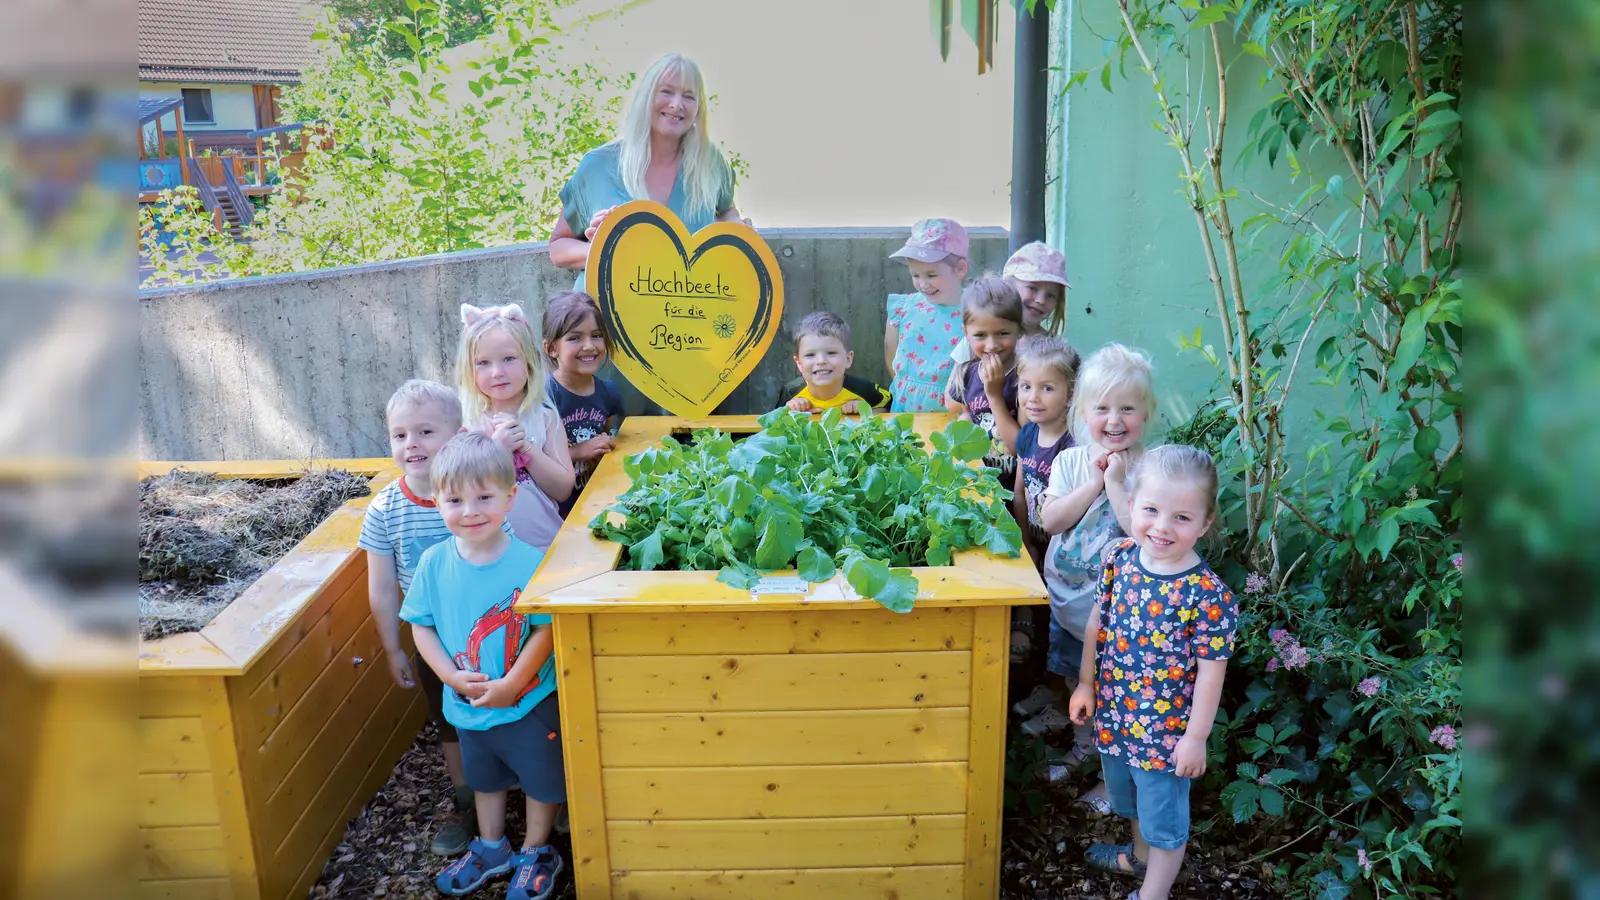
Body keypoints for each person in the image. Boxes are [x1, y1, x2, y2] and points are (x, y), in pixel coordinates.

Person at [401, 432, 565, 900]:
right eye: (455, 499)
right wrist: (450, 677)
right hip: (468, 704)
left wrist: (514, 683)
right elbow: (421, 627)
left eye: (484, 497)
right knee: (485, 779)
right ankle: (491, 845)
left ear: (510, 497)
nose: (470, 510)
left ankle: (537, 849)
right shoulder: (433, 564)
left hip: (528, 702)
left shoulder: (530, 563)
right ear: (437, 501)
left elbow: (545, 629)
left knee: (541, 780)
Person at [1069, 445, 1237, 900]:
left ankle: (1153, 893)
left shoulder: (1206, 594)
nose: (1162, 527)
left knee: (1165, 821)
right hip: (1116, 718)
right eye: (1151, 510)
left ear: (1204, 523)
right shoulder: (1119, 559)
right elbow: (1096, 624)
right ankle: (1138, 860)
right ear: (1131, 505)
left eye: (1182, 518)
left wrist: (1196, 737)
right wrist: (1085, 683)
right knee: (1131, 803)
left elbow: (1210, 673)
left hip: (1165, 736)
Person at [360, 380, 513, 857]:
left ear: (457, 434)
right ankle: (466, 800)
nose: (412, 445)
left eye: (425, 431)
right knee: (451, 723)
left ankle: (532, 789)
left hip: (495, 631)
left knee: (514, 709)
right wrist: (392, 648)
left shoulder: (481, 499)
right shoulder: (386, 508)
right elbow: (382, 587)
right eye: (399, 435)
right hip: (436, 642)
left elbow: (506, 564)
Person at [1015, 344, 1155, 817]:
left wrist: (1115, 483)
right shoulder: (1071, 463)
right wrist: (1093, 483)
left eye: (1127, 409)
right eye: (1102, 408)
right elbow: (1050, 520)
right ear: (1082, 412)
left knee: (1108, 688)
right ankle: (1081, 744)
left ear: (1146, 414)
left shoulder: (1146, 472)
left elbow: (1143, 536)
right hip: (1067, 600)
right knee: (1073, 674)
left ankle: (1106, 766)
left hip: (1115, 614)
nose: (1114, 420)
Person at [548, 53, 747, 291]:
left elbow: (726, 211)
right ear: (645, 97)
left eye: (689, 96)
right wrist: (610, 251)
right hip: (603, 319)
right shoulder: (597, 167)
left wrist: (736, 229)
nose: (677, 104)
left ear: (699, 107)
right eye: (666, 91)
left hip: (685, 318)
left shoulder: (709, 163)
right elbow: (558, 247)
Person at [457, 303, 574, 551]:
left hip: (544, 549)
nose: (497, 372)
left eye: (509, 359)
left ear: (529, 361)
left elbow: (563, 489)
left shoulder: (545, 418)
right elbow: (457, 489)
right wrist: (496, 450)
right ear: (469, 369)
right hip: (487, 554)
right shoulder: (467, 422)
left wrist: (527, 448)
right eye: (483, 363)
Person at [1008, 336, 1080, 664]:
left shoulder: (1073, 447)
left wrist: (1049, 548)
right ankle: (1026, 639)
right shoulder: (1028, 434)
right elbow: (1020, 491)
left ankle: (1054, 682)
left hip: (1062, 546)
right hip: (1035, 535)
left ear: (1071, 393)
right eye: (1025, 386)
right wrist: (1025, 538)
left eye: (1047, 388)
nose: (1032, 398)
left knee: (1059, 618)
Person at [541, 292, 622, 519]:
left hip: (598, 505)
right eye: (575, 338)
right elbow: (535, 459)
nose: (589, 346)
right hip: (557, 516)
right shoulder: (544, 398)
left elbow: (603, 438)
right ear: (551, 349)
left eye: (596, 335)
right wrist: (578, 452)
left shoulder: (609, 393)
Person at [945, 275, 1025, 489]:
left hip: (1014, 489)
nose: (991, 344)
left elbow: (1021, 447)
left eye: (1002, 333)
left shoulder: (1026, 378)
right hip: (978, 483)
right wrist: (965, 421)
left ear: (1020, 329)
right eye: (980, 335)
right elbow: (965, 412)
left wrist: (994, 396)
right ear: (966, 333)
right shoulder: (966, 374)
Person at [883, 218, 971, 412]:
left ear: (960, 269)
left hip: (953, 411)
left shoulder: (975, 313)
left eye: (931, 275)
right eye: (916, 275)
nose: (923, 284)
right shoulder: (903, 309)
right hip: (906, 408)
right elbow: (892, 357)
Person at [950, 240, 1071, 369]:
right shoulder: (979, 335)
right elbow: (954, 384)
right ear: (1009, 284)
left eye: (1051, 295)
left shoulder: (1053, 349)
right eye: (1033, 288)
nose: (1041, 300)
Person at [784, 311, 891, 414]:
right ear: (799, 363)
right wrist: (790, 412)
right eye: (810, 355)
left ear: (848, 359)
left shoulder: (864, 389)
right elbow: (773, 424)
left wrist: (866, 411)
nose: (821, 361)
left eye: (831, 353)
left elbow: (891, 409)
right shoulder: (790, 393)